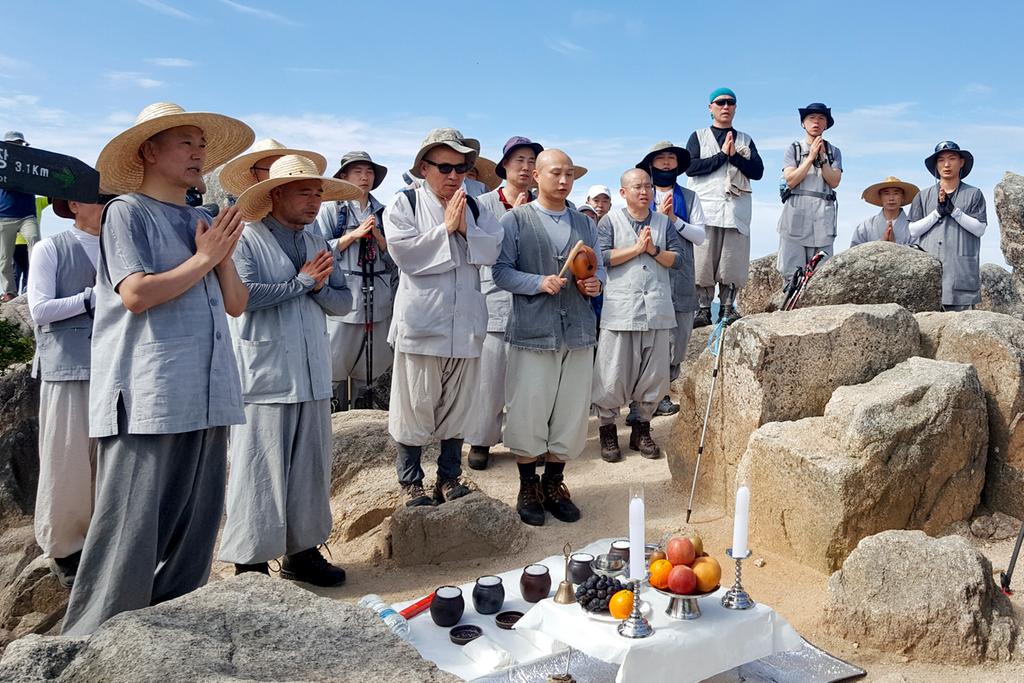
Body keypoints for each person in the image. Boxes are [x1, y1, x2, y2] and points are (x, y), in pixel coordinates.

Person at [61, 102, 254, 636]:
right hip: (149, 391)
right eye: (185, 143)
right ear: (148, 151)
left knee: (197, 523)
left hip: (210, 387)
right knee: (129, 528)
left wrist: (222, 250)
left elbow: (236, 303)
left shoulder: (203, 218)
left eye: (201, 144)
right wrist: (204, 257)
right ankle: (93, 639)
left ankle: (173, 630)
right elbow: (137, 294)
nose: (198, 153)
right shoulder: (126, 211)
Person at [219, 155, 358, 585]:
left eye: (318, 192)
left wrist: (314, 287)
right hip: (265, 373)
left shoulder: (318, 240)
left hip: (313, 369)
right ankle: (250, 563)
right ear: (275, 194)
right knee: (258, 469)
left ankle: (304, 551)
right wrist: (301, 283)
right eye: (305, 191)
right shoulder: (246, 238)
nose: (315, 201)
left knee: (310, 469)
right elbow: (242, 296)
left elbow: (343, 301)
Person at [383, 128, 504, 507]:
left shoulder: (477, 208)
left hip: (466, 323)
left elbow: (493, 249)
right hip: (423, 322)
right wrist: (445, 230)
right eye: (445, 167)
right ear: (423, 167)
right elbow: (404, 255)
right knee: (415, 403)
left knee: (459, 404)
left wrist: (466, 228)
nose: (454, 176)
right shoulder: (404, 204)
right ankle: (410, 481)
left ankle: (449, 476)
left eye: (462, 168)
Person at [492, 149, 602, 525]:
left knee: (570, 411)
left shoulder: (585, 223)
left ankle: (555, 484)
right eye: (556, 173)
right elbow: (502, 273)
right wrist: (539, 282)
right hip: (533, 331)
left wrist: (592, 285)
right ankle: (528, 486)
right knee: (528, 410)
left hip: (577, 331)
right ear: (536, 176)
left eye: (570, 174)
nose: (564, 180)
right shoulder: (515, 221)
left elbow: (595, 270)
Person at [26, 191, 112, 587]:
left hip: (116, 365)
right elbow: (39, 310)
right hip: (68, 366)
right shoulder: (50, 248)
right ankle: (64, 548)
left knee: (109, 461)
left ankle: (102, 540)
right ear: (73, 205)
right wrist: (91, 298)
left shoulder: (120, 245)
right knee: (67, 459)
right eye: (99, 198)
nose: (108, 205)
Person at [592, 169, 686, 462]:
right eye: (637, 187)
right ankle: (608, 430)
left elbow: (677, 259)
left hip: (656, 310)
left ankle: (642, 429)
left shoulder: (663, 222)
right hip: (621, 310)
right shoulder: (610, 221)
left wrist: (653, 249)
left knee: (653, 375)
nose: (644, 191)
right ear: (623, 193)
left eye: (648, 186)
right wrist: (636, 249)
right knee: (612, 373)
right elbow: (603, 257)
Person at [465, 136, 542, 470]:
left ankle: (526, 441)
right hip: (492, 300)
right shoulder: (481, 204)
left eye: (531, 162)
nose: (525, 167)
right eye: (519, 160)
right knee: (490, 378)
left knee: (529, 383)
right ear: (505, 166)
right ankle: (481, 440)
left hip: (534, 303)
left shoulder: (545, 205)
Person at [313, 151, 394, 410]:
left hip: (378, 302)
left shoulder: (384, 212)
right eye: (357, 171)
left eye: (369, 172)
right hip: (343, 302)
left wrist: (382, 242)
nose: (364, 177)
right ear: (344, 176)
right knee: (333, 366)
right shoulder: (330, 210)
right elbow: (317, 250)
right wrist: (352, 236)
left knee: (372, 369)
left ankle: (366, 418)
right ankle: (334, 421)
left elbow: (398, 259)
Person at [636, 141, 706, 417]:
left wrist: (674, 219)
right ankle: (647, 397)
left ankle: (663, 388)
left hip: (681, 275)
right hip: (648, 278)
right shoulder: (642, 195)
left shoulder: (689, 197)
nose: (666, 163)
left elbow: (700, 236)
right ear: (650, 164)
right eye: (660, 158)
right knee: (648, 338)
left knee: (678, 339)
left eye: (671, 158)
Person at [685, 88, 764, 325]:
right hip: (705, 208)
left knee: (732, 260)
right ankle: (703, 308)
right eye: (720, 103)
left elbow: (758, 172)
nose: (725, 107)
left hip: (735, 209)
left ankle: (728, 307)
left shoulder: (745, 139)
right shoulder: (698, 137)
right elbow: (691, 167)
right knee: (702, 261)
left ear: (736, 107)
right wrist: (721, 156)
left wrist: (735, 157)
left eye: (730, 102)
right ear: (711, 108)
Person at [909, 141, 987, 311]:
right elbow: (913, 230)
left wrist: (954, 212)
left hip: (961, 276)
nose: (946, 164)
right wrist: (937, 213)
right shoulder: (922, 196)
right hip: (928, 278)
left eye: (952, 158)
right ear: (936, 165)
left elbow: (980, 229)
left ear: (961, 162)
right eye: (941, 160)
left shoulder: (974, 194)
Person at [777, 102, 843, 279]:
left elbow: (834, 181)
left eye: (821, 118)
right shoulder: (794, 149)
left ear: (826, 124)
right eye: (811, 118)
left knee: (822, 273)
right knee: (792, 272)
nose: (816, 122)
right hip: (796, 214)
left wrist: (822, 159)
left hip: (823, 215)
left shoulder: (834, 151)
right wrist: (810, 157)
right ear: (803, 123)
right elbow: (791, 180)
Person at [0, 131, 40, 301]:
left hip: (26, 215)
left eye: (19, 143)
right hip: (4, 215)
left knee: (36, 243)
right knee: (4, 258)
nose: (17, 146)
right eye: (14, 143)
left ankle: (37, 284)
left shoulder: (30, 162)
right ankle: (9, 291)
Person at [219, 137, 328, 196]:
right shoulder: (239, 216)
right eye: (272, 169)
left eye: (285, 166)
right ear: (253, 173)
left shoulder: (305, 212)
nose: (280, 173)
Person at [852, 176, 919, 246]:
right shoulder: (865, 227)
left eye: (896, 193)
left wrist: (895, 245)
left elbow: (921, 252)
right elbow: (853, 253)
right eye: (886, 193)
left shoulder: (914, 227)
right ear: (880, 197)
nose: (891, 198)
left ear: (902, 197)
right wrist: (882, 243)